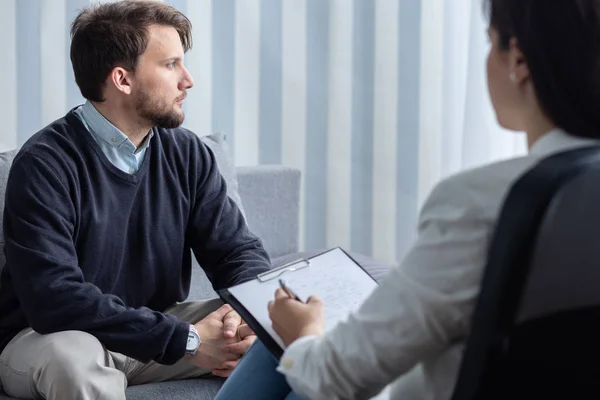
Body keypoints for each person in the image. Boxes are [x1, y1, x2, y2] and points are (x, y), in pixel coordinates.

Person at [215, 0, 600, 399]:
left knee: (286, 349)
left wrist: (304, 334)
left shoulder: (482, 201)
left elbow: (335, 378)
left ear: (518, 61)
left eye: (490, 44)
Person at [0, 1, 271, 399]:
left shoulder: (187, 153)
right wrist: (188, 341)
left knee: (284, 321)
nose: (188, 80)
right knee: (73, 359)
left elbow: (236, 252)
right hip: (51, 337)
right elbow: (53, 298)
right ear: (122, 79)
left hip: (154, 328)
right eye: (170, 65)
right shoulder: (45, 164)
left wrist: (246, 312)